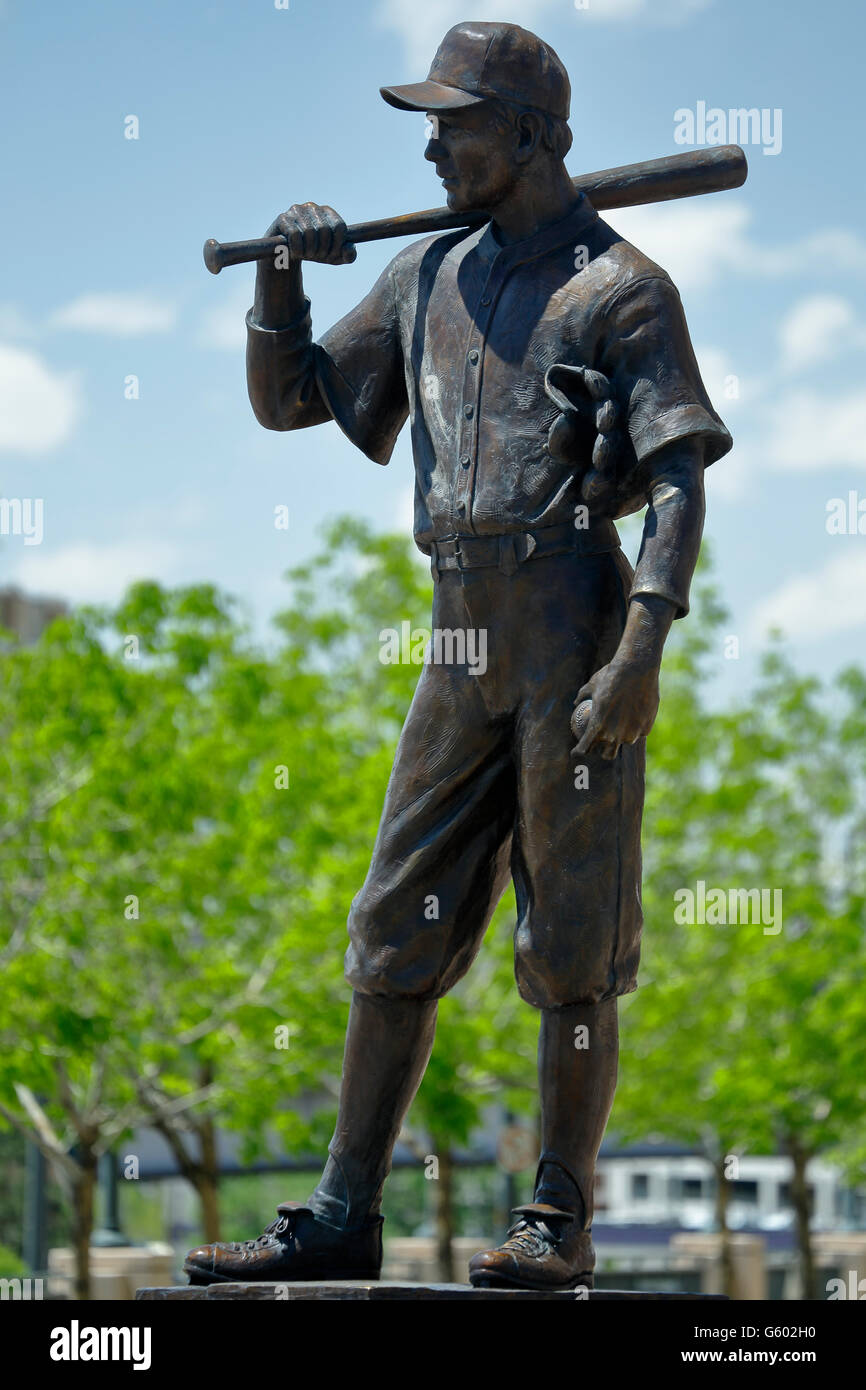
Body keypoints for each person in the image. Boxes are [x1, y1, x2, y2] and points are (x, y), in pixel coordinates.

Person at [184, 19, 731, 1291]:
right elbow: (292, 403)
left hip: (573, 618)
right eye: (426, 123)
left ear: (531, 136)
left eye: (455, 122)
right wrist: (281, 281)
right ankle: (339, 1212)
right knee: (391, 923)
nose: (431, 146)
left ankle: (557, 1216)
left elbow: (677, 487)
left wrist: (641, 649)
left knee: (572, 936)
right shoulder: (427, 275)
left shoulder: (622, 287)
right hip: (458, 625)